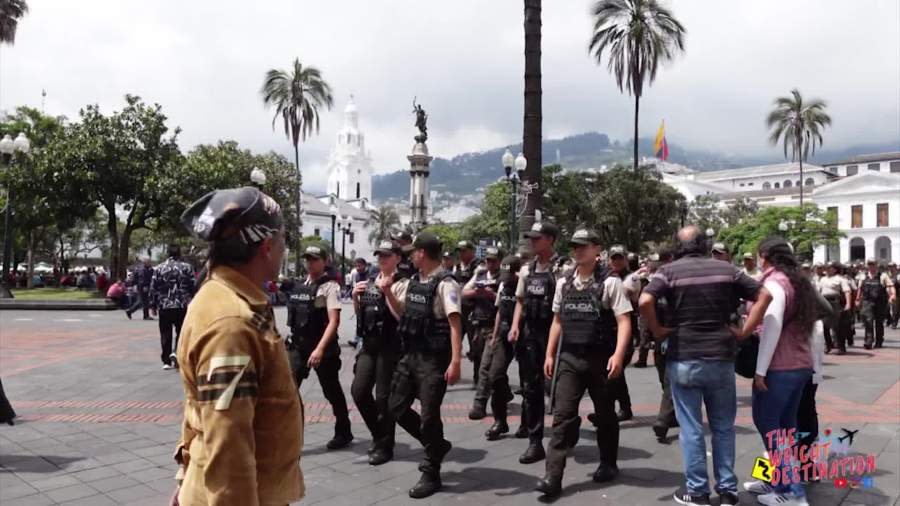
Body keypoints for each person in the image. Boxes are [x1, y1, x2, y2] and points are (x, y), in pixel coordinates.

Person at [173, 186, 303, 505]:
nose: (283, 249)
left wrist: (185, 476)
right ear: (267, 246)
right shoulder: (231, 322)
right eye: (283, 240)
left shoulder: (231, 298)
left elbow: (199, 410)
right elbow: (228, 441)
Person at [639, 225, 770, 506]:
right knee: (723, 427)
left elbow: (645, 300)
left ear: (678, 246)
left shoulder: (668, 271)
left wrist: (659, 330)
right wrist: (746, 331)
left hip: (684, 356)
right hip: (721, 358)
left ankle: (698, 491)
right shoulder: (726, 270)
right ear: (705, 244)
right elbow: (764, 295)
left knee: (691, 428)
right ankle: (727, 490)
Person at [535, 229, 633, 499]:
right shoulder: (564, 282)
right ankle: (552, 477)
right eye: (575, 246)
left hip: (600, 358)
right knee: (562, 417)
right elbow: (557, 321)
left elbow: (624, 320)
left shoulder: (610, 283)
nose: (578, 250)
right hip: (569, 359)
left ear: (596, 249)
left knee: (604, 415)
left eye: (584, 246)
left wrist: (618, 355)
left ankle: (608, 462)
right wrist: (550, 354)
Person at [740, 237, 819, 506]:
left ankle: (791, 491)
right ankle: (777, 481)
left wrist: (760, 372)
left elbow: (771, 328)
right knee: (785, 427)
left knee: (769, 425)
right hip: (800, 364)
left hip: (779, 367)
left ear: (764, 256)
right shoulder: (798, 282)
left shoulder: (774, 283)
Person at [384, 232, 463, 498]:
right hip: (410, 356)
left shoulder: (446, 284)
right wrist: (386, 291)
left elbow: (455, 324)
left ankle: (432, 471)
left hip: (434, 360)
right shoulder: (414, 282)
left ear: (422, 254)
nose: (409, 256)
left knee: (429, 415)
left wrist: (455, 361)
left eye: (413, 252)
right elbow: (402, 312)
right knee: (394, 407)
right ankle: (437, 445)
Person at [351, 240, 423, 466]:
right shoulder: (370, 281)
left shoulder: (405, 284)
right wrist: (355, 297)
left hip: (391, 347)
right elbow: (363, 315)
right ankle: (379, 434)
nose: (382, 259)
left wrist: (387, 291)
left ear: (398, 258)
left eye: (387, 255)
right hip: (369, 345)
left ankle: (386, 445)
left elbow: (401, 316)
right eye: (379, 255)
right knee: (359, 391)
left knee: (384, 399)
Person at [509, 221, 569, 465]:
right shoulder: (527, 270)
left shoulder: (565, 268)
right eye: (531, 237)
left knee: (560, 389)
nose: (532, 241)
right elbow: (520, 301)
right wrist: (515, 326)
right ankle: (535, 442)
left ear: (551, 239)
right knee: (531, 389)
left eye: (538, 237)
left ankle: (565, 433)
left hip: (558, 335)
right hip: (531, 336)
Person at [286, 245, 353, 450]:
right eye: (308, 259)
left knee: (331, 391)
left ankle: (344, 431)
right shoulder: (300, 286)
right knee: (288, 390)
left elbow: (334, 321)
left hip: (322, 348)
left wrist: (320, 349)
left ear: (325, 262)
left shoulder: (329, 286)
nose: (310, 263)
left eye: (315, 259)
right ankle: (288, 434)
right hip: (299, 346)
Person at [478, 255, 522, 441]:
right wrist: (494, 337)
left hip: (523, 337)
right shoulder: (503, 285)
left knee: (529, 384)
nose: (506, 279)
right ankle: (500, 421)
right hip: (503, 336)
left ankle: (527, 424)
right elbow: (500, 312)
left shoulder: (525, 284)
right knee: (495, 376)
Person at [465, 247, 502, 420]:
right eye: (488, 260)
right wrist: (478, 292)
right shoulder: (479, 274)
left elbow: (507, 301)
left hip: (495, 328)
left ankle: (479, 405)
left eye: (493, 260)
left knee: (485, 368)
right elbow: (464, 292)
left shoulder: (504, 277)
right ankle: (505, 392)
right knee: (488, 367)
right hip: (478, 326)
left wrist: (490, 294)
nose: (490, 263)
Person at [149, 245, 196, 370]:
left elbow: (153, 287)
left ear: (167, 253)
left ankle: (166, 361)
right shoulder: (187, 267)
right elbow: (193, 285)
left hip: (164, 305)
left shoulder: (159, 268)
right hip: (182, 304)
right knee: (181, 331)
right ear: (179, 253)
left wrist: (152, 304)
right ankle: (177, 353)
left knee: (165, 333)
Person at [649, 249, 679, 442]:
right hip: (661, 339)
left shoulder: (679, 284)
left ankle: (663, 419)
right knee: (665, 379)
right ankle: (672, 414)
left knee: (670, 380)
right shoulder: (654, 285)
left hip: (678, 337)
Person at [607, 244, 637, 422]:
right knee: (616, 374)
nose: (617, 261)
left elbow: (625, 291)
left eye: (620, 257)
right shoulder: (607, 277)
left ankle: (608, 413)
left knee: (612, 374)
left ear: (626, 259)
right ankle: (625, 408)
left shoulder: (632, 277)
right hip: (608, 332)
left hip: (626, 331)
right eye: (613, 258)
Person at [453, 240, 482, 385]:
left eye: (464, 251)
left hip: (473, 310)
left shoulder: (479, 266)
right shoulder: (457, 266)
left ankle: (478, 378)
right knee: (452, 342)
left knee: (475, 345)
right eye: (460, 251)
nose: (461, 254)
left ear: (472, 251)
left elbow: (479, 288)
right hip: (458, 309)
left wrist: (463, 293)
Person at [856, 259, 896, 349]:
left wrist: (892, 295)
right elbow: (860, 288)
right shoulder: (863, 276)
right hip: (867, 301)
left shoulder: (883, 276)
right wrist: (857, 299)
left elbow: (890, 286)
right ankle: (868, 341)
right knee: (868, 321)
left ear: (876, 265)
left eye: (873, 264)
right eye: (869, 264)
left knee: (879, 322)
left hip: (880, 302)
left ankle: (879, 341)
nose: (871, 266)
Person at [817, 262, 852, 354]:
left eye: (830, 267)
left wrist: (848, 304)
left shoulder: (840, 279)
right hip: (824, 302)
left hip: (835, 302)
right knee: (824, 325)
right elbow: (818, 292)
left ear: (835, 269)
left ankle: (841, 347)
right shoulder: (823, 279)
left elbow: (847, 292)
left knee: (837, 326)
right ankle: (828, 345)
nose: (827, 269)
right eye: (827, 267)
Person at [347, 258, 370, 347]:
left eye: (359, 265)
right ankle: (357, 338)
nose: (357, 267)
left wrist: (362, 284)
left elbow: (370, 283)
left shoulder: (369, 272)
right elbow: (354, 285)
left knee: (365, 319)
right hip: (358, 298)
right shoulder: (356, 274)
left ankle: (363, 339)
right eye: (356, 265)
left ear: (364, 265)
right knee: (359, 319)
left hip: (368, 299)